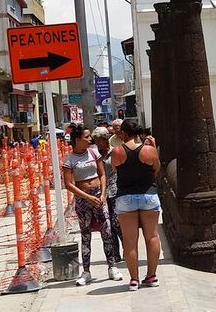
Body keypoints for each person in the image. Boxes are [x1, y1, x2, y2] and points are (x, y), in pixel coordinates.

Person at [62, 124, 122, 286]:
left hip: (99, 197)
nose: (90, 139)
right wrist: (86, 196)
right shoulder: (69, 160)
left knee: (107, 231)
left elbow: (102, 174)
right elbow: (69, 184)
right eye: (86, 137)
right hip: (83, 200)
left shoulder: (94, 153)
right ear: (77, 140)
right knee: (86, 235)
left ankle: (112, 266)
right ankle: (86, 271)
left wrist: (102, 194)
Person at [111, 118, 162, 290]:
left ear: (124, 133)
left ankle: (134, 279)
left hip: (125, 197)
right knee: (152, 236)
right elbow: (156, 168)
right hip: (148, 195)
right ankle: (152, 276)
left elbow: (116, 168)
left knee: (130, 240)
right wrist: (153, 147)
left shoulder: (117, 151)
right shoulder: (149, 150)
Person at [91, 126, 122, 262]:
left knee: (117, 223)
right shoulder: (94, 155)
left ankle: (127, 249)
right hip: (101, 193)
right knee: (107, 226)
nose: (97, 144)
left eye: (99, 141)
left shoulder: (114, 152)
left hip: (115, 191)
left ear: (105, 139)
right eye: (96, 141)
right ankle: (115, 254)